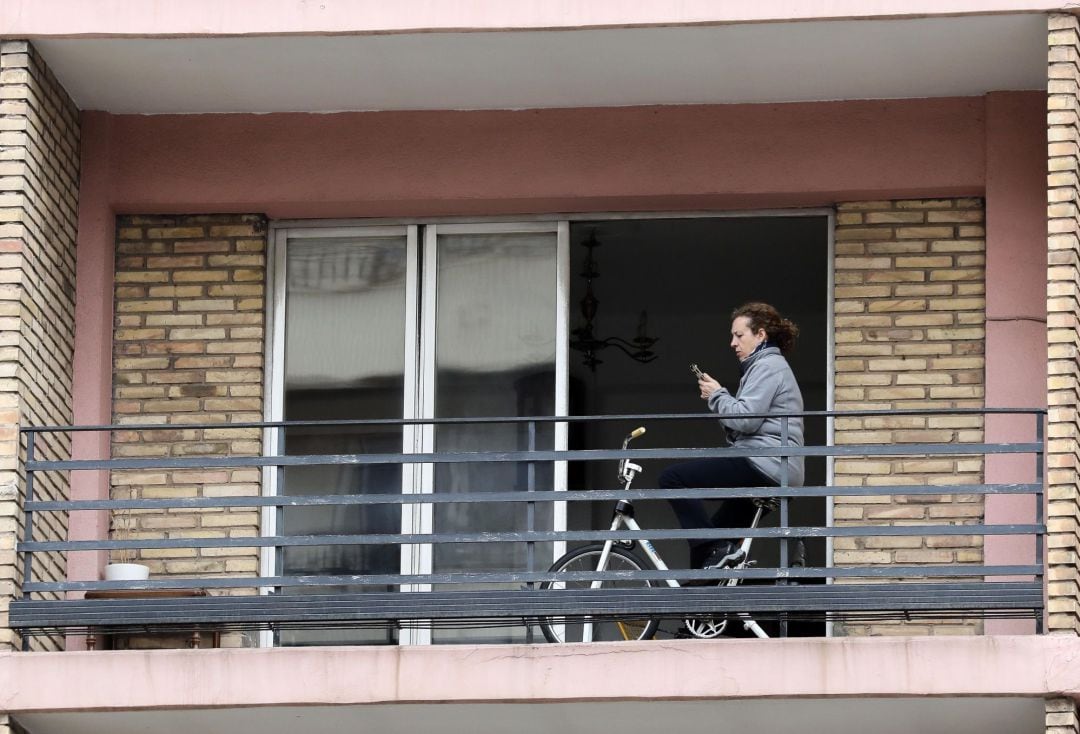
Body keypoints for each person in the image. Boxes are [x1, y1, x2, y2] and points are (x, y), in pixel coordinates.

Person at [659, 302, 805, 570]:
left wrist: (717, 394)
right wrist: (721, 400)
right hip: (772, 465)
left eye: (739, 335)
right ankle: (707, 607)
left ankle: (716, 554)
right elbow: (743, 424)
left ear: (760, 335)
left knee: (672, 478)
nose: (732, 343)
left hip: (766, 464)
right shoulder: (763, 367)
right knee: (708, 550)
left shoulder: (769, 366)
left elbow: (744, 419)